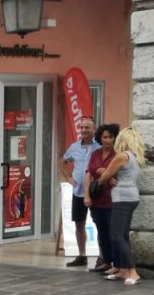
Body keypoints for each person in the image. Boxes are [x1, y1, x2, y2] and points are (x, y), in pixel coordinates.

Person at [96, 126, 144, 285]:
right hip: (131, 197)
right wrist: (108, 174)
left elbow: (104, 178)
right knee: (122, 235)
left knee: (116, 235)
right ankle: (123, 270)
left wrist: (105, 174)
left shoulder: (121, 156)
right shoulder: (134, 156)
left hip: (122, 198)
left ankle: (133, 272)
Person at [61, 116, 97, 266]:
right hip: (77, 192)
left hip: (95, 192)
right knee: (79, 224)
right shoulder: (74, 147)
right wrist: (68, 177)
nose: (83, 130)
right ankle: (82, 255)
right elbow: (63, 162)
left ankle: (103, 256)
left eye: (87, 127)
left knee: (100, 224)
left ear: (93, 130)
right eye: (82, 127)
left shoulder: (99, 147)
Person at [83, 123, 119, 274]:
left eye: (110, 137)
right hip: (96, 199)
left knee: (113, 232)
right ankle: (106, 261)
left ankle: (117, 264)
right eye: (105, 137)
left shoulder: (118, 155)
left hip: (112, 199)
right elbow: (88, 174)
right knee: (101, 231)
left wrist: (107, 174)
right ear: (100, 138)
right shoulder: (95, 154)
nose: (107, 140)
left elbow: (118, 181)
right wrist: (86, 195)